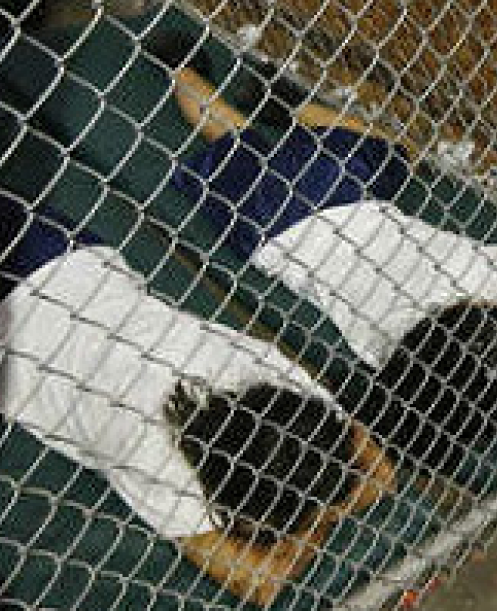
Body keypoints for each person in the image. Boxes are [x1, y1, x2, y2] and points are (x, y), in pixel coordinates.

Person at [165, 54, 497, 469]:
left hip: (337, 185)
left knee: (400, 152)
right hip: (272, 235)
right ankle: (178, 66)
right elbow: (450, 401)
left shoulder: (480, 275)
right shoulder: (385, 353)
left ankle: (289, 106)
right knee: (226, 132)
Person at [0, 198, 395, 604]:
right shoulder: (160, 459)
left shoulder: (270, 378)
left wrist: (317, 512)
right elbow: (260, 583)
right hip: (27, 306)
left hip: (67, 256)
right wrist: (319, 519)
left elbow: (378, 474)